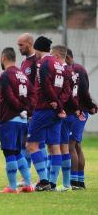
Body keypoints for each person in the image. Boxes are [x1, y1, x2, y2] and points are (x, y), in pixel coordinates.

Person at [26, 36, 67, 191]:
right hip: (56, 111)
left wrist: (55, 104)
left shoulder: (42, 63)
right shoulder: (59, 64)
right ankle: (53, 183)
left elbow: (45, 86)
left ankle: (43, 181)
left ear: (37, 48)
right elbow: (66, 88)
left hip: (43, 109)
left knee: (31, 145)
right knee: (53, 146)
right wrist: (60, 106)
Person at [0, 47, 34, 193]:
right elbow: (33, 95)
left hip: (10, 119)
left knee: (9, 151)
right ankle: (28, 184)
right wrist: (27, 110)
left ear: (3, 58)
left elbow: (8, 96)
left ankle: (12, 187)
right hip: (22, 121)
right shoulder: (22, 75)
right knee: (18, 151)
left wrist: (19, 109)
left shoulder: (5, 75)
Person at [17, 33, 48, 185]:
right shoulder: (24, 63)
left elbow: (39, 88)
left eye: (21, 45)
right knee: (26, 142)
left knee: (37, 143)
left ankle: (44, 176)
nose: (19, 48)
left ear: (29, 43)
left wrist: (33, 108)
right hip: (25, 110)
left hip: (35, 110)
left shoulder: (37, 61)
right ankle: (26, 177)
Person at [66, 49, 97, 189]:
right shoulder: (73, 69)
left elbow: (84, 91)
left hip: (79, 112)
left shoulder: (77, 69)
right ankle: (80, 181)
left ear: (67, 57)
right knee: (76, 145)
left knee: (71, 144)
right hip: (79, 111)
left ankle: (74, 182)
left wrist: (90, 106)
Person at [51, 45, 78, 191]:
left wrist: (60, 106)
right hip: (70, 112)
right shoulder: (71, 71)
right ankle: (59, 182)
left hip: (64, 113)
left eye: (51, 55)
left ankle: (64, 183)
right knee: (61, 147)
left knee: (61, 147)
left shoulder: (62, 70)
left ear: (56, 55)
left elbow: (66, 93)